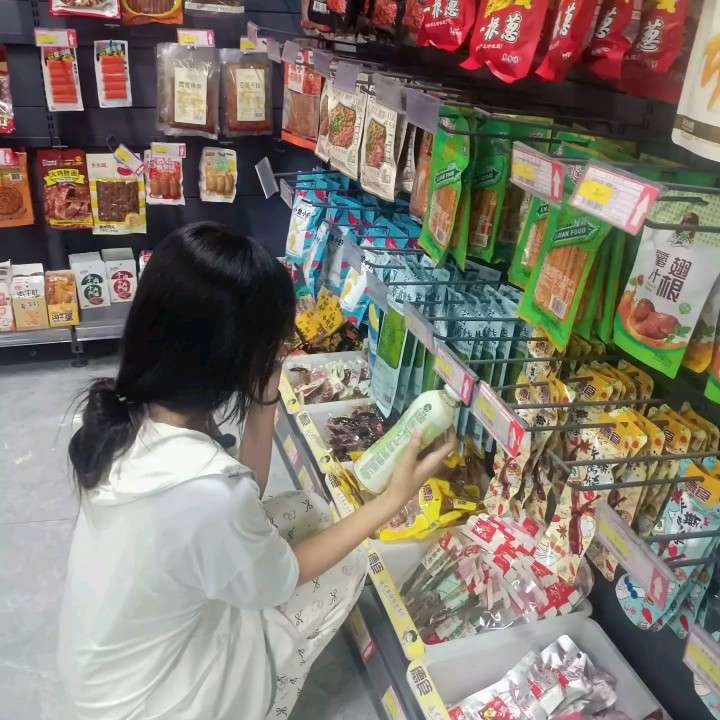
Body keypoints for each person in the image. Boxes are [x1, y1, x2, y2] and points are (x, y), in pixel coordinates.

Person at [57, 222, 455, 720]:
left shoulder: (124, 413)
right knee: (348, 563)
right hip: (161, 706)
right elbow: (282, 579)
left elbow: (246, 491)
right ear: (236, 357)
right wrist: (392, 500)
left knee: (307, 511)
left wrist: (264, 394)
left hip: (105, 681)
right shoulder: (204, 492)